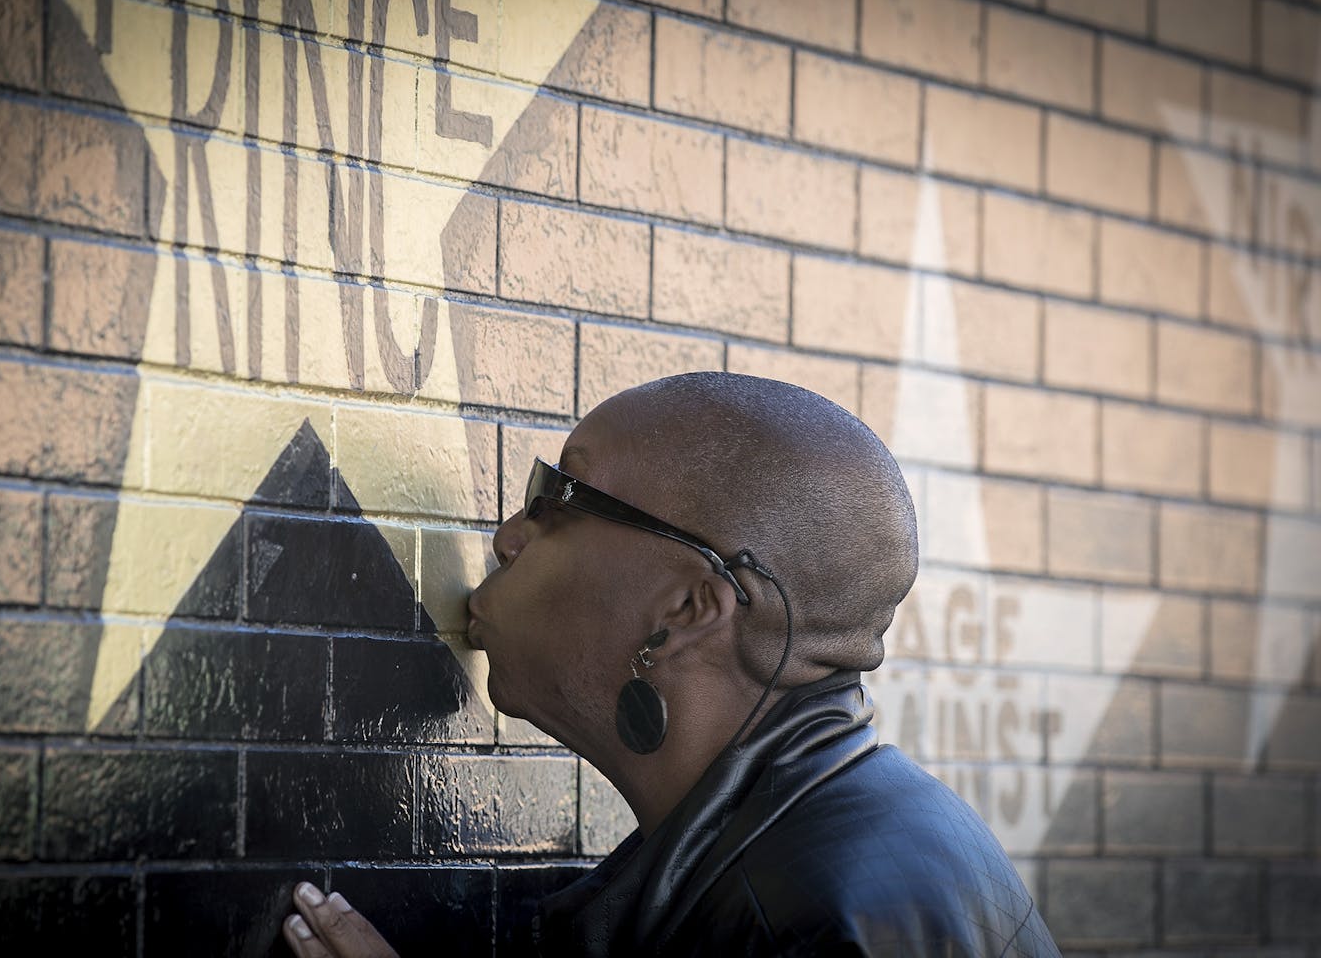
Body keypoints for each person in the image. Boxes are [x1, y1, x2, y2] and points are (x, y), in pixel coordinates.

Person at [279, 372, 1060, 957]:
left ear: (690, 609)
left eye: (559, 497)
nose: (508, 536)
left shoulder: (807, 921)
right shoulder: (841, 838)